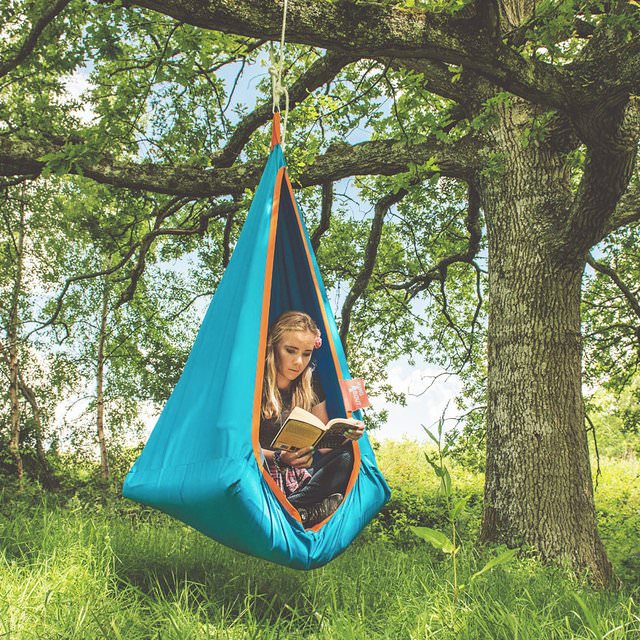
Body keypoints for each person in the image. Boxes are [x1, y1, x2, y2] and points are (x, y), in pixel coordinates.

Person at [260, 310, 365, 527]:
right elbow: (239, 448)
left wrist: (347, 433)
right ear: (274, 346)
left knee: (346, 459)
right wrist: (280, 458)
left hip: (299, 479)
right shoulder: (256, 386)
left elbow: (324, 446)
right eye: (290, 351)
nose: (298, 362)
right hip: (262, 476)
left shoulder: (311, 385)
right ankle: (295, 513)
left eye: (306, 354)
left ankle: (293, 511)